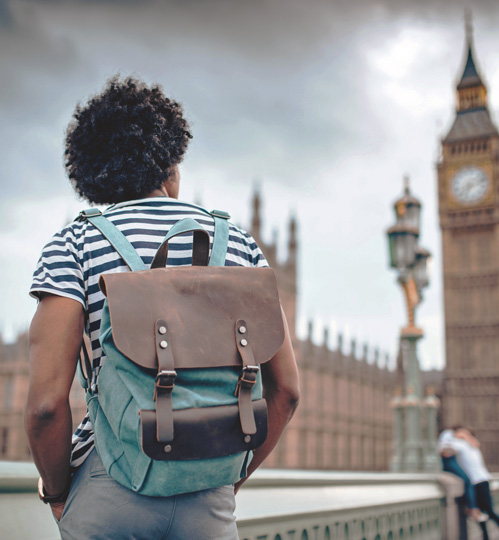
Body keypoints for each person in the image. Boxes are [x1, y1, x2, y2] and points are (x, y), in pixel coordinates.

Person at [25, 76, 300, 540]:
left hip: (108, 487)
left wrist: (57, 494)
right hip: (208, 493)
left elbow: (47, 406)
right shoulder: (238, 245)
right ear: (170, 165)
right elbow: (287, 392)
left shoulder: (74, 243)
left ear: (93, 173)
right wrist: (227, 481)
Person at [454, 427, 499, 540]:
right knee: (481, 513)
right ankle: (490, 536)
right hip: (482, 481)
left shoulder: (462, 445)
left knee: (488, 511)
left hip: (478, 482)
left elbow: (446, 447)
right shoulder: (472, 446)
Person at [438, 428, 488, 523]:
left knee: (467, 483)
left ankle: (472, 509)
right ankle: (473, 510)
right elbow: (444, 450)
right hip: (450, 462)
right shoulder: (450, 435)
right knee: (467, 481)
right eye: (464, 433)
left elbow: (475, 444)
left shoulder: (459, 442)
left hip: (480, 478)